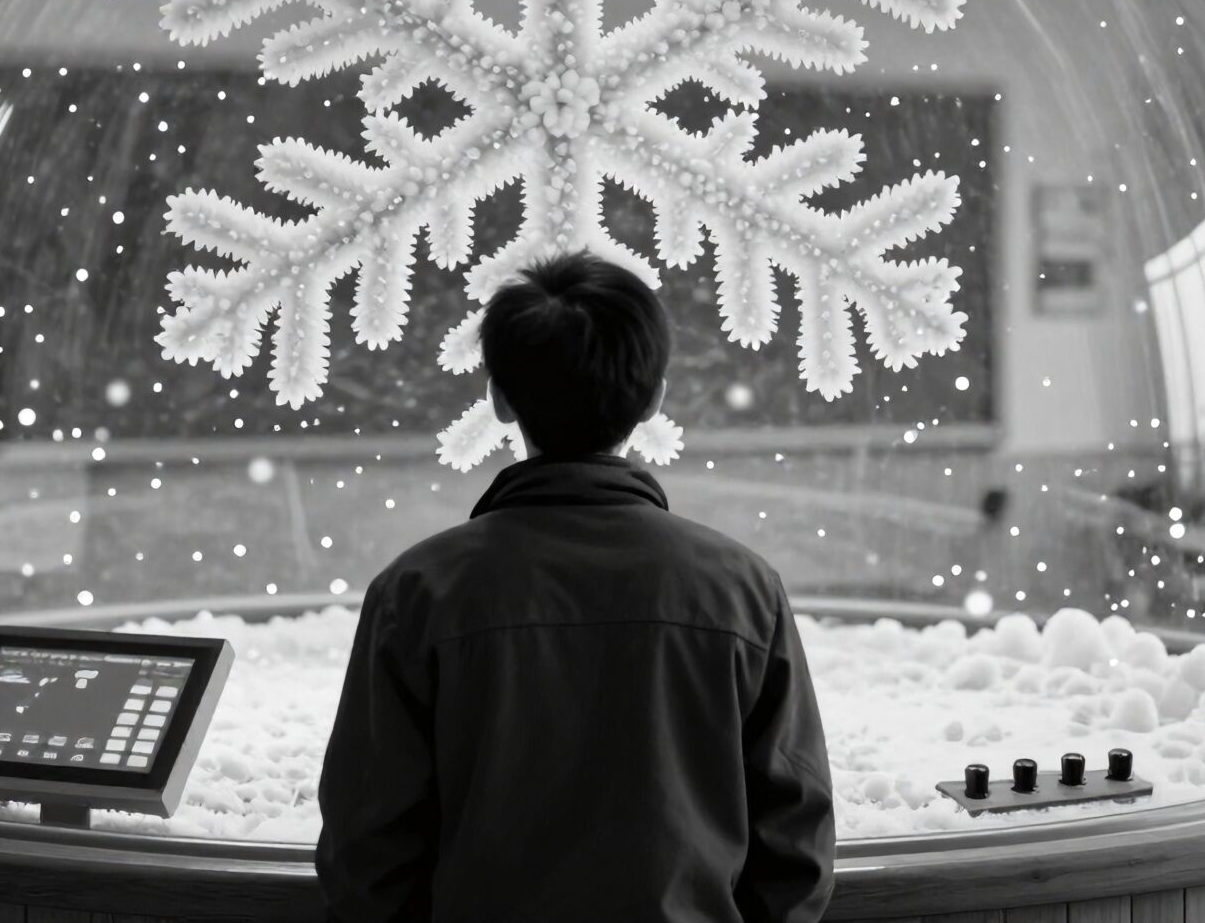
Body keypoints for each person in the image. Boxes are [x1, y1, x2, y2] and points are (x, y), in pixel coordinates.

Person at [316, 250, 835, 923]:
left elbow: (366, 850)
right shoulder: (742, 588)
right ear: (654, 398)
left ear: (499, 396)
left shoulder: (416, 593)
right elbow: (795, 840)